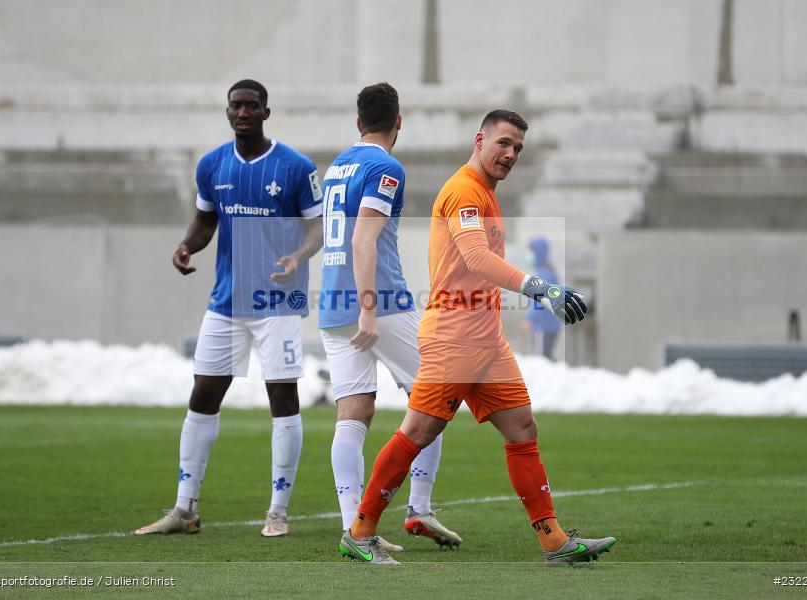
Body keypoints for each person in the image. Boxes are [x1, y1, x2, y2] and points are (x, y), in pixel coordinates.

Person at [338, 110, 615, 565]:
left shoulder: (484, 192)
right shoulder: (465, 190)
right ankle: (361, 530)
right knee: (419, 432)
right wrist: (540, 287)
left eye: (519, 149)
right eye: (504, 143)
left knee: (522, 428)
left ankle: (553, 541)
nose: (511, 154)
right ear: (479, 139)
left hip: (486, 341)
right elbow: (477, 257)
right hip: (454, 337)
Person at [135, 79, 324, 538]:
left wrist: (297, 258)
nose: (242, 112)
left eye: (251, 106)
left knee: (282, 397)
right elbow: (205, 219)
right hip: (225, 300)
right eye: (235, 106)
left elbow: (316, 228)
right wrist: (187, 246)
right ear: (228, 112)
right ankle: (184, 509)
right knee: (203, 394)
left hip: (278, 301)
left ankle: (277, 510)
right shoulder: (212, 164)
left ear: (265, 112)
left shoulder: (296, 167)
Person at [319, 82, 461, 552]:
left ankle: (355, 530)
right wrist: (369, 310)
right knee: (436, 396)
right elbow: (363, 240)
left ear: (358, 123)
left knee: (352, 413)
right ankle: (418, 507)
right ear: (399, 122)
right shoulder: (386, 167)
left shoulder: (338, 165)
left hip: (332, 305)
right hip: (379, 304)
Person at [522, 237, 562, 358]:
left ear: (538, 252)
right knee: (546, 358)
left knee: (541, 361)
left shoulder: (544, 274)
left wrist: (530, 318)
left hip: (544, 325)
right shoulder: (548, 271)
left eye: (530, 251)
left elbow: (539, 300)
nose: (528, 255)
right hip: (549, 324)